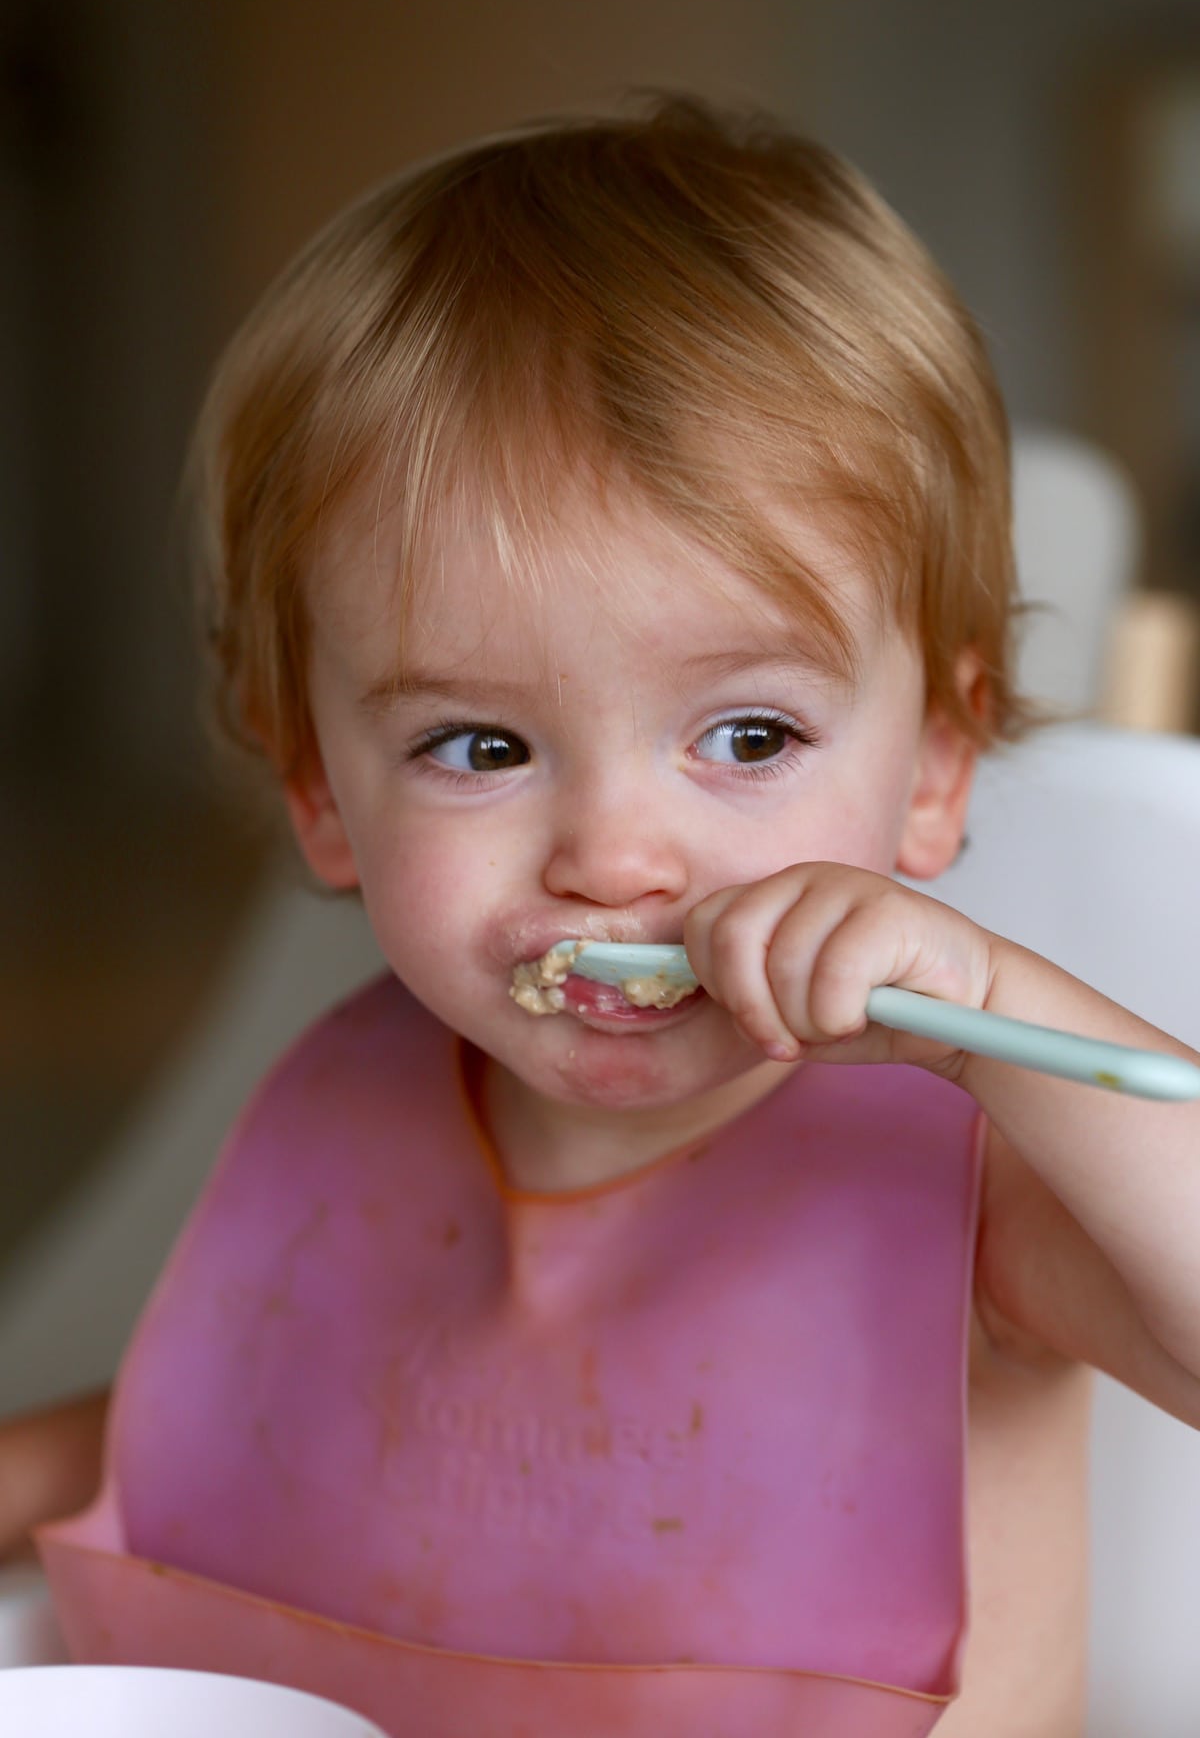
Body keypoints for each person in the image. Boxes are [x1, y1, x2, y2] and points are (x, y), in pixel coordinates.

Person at [5, 96, 1200, 1736]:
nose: (615, 859)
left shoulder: (959, 1170)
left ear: (936, 765)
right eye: (480, 747)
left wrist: (1010, 1012)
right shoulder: (359, 1102)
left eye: (750, 737)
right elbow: (248, 1425)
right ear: (318, 792)